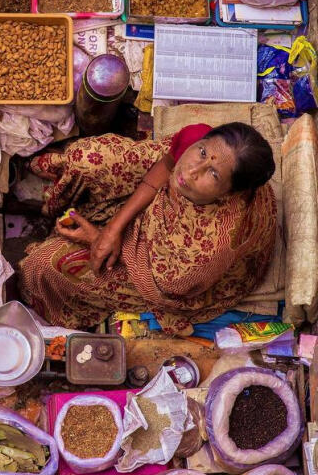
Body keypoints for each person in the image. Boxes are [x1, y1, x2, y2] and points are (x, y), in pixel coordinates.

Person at [19, 123, 276, 337]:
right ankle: (51, 199)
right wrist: (113, 228)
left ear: (230, 193)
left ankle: (51, 304)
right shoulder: (199, 142)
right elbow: (166, 165)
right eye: (201, 152)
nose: (191, 170)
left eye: (213, 174)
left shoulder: (208, 249)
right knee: (88, 158)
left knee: (47, 264)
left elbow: (165, 287)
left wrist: (96, 239)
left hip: (166, 275)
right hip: (161, 215)